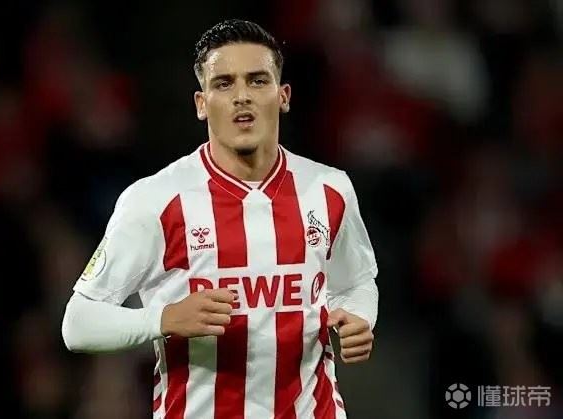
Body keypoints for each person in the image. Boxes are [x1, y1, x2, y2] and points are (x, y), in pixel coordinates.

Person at [62, 19, 379, 418]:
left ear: (283, 96)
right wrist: (163, 319)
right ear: (201, 103)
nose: (242, 96)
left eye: (257, 81)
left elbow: (357, 282)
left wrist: (359, 319)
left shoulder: (330, 189)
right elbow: (78, 323)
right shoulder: (156, 201)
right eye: (224, 83)